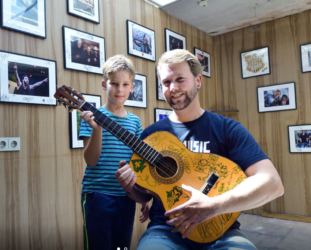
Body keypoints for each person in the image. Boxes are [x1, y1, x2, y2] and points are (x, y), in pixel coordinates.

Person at [115, 49, 284, 250]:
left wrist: (214, 206)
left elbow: (273, 184)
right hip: (165, 231)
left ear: (198, 81)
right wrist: (129, 187)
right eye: (166, 82)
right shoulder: (152, 137)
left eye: (180, 79)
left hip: (221, 231)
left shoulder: (227, 129)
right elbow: (145, 195)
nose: (173, 88)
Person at [78, 54, 149, 250]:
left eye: (125, 84)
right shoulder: (91, 117)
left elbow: (139, 163)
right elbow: (91, 161)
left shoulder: (135, 122)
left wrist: (143, 194)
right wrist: (96, 128)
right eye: (114, 83)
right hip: (98, 194)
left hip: (127, 195)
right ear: (104, 84)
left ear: (132, 87)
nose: (120, 89)